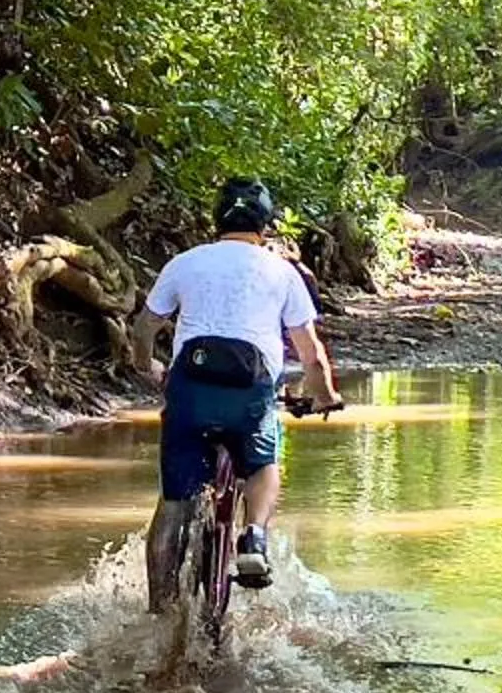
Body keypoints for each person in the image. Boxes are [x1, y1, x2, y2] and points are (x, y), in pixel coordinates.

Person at [130, 177, 343, 595]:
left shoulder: (185, 262)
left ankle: (158, 608)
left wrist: (146, 367)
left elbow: (144, 327)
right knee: (264, 464)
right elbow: (311, 355)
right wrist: (324, 396)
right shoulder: (283, 272)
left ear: (216, 221)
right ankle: (254, 537)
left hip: (190, 389)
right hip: (251, 392)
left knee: (174, 502)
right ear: (265, 226)